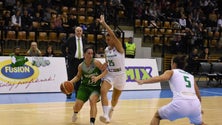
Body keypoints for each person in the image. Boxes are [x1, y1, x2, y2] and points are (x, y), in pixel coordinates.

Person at [135, 55, 206, 125]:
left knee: (157, 116)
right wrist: (197, 108)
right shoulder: (190, 76)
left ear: (174, 64)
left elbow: (160, 78)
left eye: (171, 63)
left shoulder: (171, 72)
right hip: (195, 104)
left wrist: (143, 81)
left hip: (181, 103)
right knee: (199, 123)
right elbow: (198, 95)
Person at [69, 46, 107, 125]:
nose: (90, 55)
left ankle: (92, 122)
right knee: (77, 105)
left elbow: (105, 71)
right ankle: (75, 113)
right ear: (84, 54)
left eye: (92, 53)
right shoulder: (80, 66)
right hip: (84, 87)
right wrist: (70, 82)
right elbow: (78, 77)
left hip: (95, 88)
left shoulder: (96, 62)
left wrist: (97, 78)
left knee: (93, 101)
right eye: (88, 53)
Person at [98, 15, 126, 124]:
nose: (108, 40)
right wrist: (104, 65)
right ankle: (105, 115)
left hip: (120, 76)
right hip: (110, 74)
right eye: (107, 38)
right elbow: (107, 63)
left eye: (110, 38)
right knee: (103, 91)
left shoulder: (119, 48)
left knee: (114, 100)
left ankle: (111, 110)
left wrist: (104, 24)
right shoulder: (106, 50)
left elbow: (114, 35)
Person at [61, 26, 88, 99]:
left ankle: (77, 93)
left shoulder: (84, 39)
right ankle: (68, 92)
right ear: (75, 32)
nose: (79, 32)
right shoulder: (71, 39)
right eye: (77, 31)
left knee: (79, 77)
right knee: (71, 76)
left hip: (81, 61)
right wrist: (66, 55)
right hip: (73, 60)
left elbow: (87, 49)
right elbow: (63, 46)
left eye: (80, 31)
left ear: (82, 32)